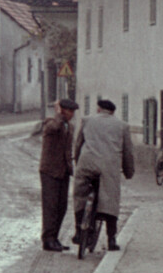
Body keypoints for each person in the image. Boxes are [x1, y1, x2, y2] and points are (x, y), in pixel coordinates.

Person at [72, 98, 135, 251]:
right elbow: (128, 153)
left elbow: (78, 144)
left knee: (79, 194)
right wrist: (128, 172)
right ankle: (111, 240)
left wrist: (77, 163)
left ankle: (79, 232)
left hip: (87, 163)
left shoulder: (86, 120)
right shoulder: (122, 126)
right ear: (113, 112)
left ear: (99, 109)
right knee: (111, 199)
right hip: (109, 166)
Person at [38, 98, 78, 251]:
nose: (72, 114)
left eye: (73, 112)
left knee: (61, 207)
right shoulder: (51, 123)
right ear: (62, 110)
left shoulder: (70, 126)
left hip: (63, 171)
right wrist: (58, 114)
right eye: (69, 111)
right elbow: (54, 127)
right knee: (50, 207)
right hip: (50, 171)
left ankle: (55, 238)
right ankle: (47, 239)